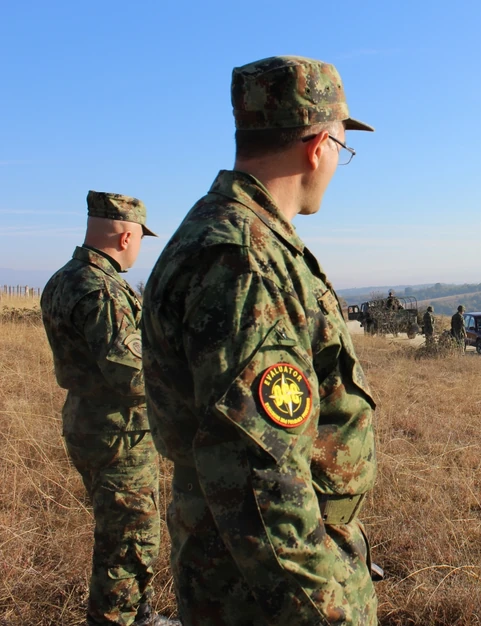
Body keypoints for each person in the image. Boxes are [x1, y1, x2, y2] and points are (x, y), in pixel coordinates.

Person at [142, 56, 379, 624]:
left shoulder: (236, 236)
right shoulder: (244, 265)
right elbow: (260, 484)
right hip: (262, 594)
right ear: (317, 145)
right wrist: (333, 611)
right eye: (342, 150)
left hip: (240, 571)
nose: (336, 165)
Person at [40, 192, 176, 626]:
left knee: (124, 533)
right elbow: (131, 374)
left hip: (90, 424)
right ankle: (120, 618)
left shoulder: (63, 279)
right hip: (120, 434)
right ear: (124, 236)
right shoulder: (101, 289)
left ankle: (140, 615)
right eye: (139, 238)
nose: (139, 248)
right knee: (129, 542)